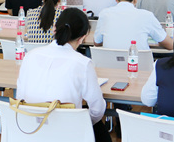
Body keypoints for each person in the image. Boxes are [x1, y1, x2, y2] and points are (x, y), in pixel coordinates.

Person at [17, 8, 111, 142]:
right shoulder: (83, 63)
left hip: (29, 130)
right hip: (67, 133)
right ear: (82, 38)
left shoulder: (30, 56)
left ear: (54, 28)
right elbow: (97, 110)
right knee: (100, 130)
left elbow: (20, 97)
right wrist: (83, 122)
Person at [95, 0, 173, 51]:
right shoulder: (147, 16)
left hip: (109, 62)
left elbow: (97, 42)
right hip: (139, 61)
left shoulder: (104, 14)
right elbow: (170, 45)